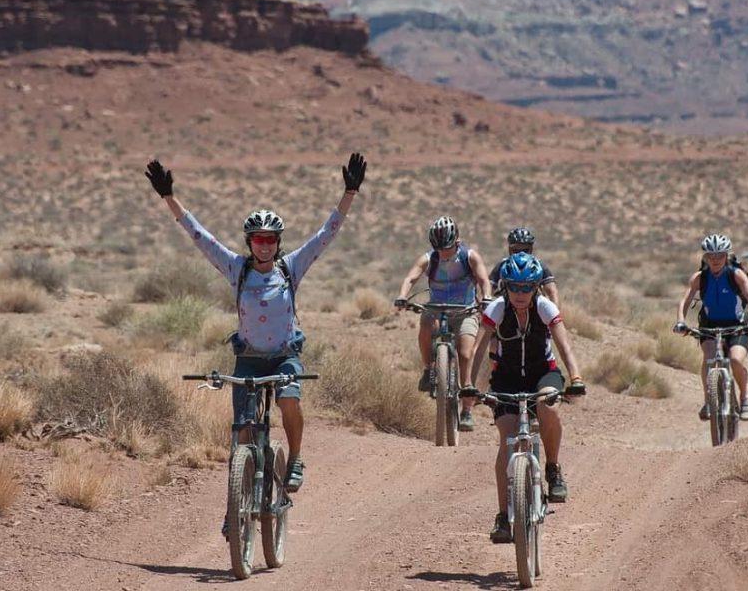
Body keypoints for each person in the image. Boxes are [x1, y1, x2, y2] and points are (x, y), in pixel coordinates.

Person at [145, 152, 366, 500]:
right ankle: (237, 508)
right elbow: (200, 236)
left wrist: (349, 193)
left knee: (289, 400)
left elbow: (326, 234)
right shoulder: (237, 268)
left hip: (284, 356)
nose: (265, 245)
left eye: (271, 239)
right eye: (258, 240)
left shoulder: (291, 267)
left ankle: (294, 459)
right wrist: (169, 197)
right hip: (248, 358)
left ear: (279, 243)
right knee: (243, 433)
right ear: (249, 243)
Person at [461, 252, 585, 544]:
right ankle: (504, 515)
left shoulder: (545, 307)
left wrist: (576, 377)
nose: (519, 293)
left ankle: (553, 470)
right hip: (506, 377)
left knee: (548, 406)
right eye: (514, 287)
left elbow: (564, 346)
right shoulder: (497, 310)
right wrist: (468, 385)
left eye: (526, 287)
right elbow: (478, 349)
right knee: (507, 439)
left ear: (536, 287)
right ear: (505, 287)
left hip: (544, 373)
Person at [394, 215, 492, 431]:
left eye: (447, 247)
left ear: (456, 240)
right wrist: (402, 295)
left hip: (466, 311)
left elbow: (484, 280)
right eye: (439, 248)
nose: (443, 252)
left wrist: (486, 298)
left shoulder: (469, 257)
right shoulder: (430, 259)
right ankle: (429, 368)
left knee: (466, 354)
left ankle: (466, 410)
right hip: (437, 308)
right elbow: (411, 277)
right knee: (426, 324)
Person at [673, 233, 748, 422]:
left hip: (737, 325)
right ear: (705, 257)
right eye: (711, 256)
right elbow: (685, 301)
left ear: (726, 255)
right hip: (709, 325)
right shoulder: (700, 278)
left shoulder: (736, 274)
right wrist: (680, 321)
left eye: (720, 255)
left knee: (736, 360)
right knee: (709, 358)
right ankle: (709, 400)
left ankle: (744, 398)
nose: (715, 260)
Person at [488, 227, 559, 305]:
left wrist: (555, 309)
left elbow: (552, 291)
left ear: (531, 249)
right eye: (516, 251)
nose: (521, 254)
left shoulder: (539, 266)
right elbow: (488, 287)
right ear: (509, 249)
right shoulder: (502, 266)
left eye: (525, 250)